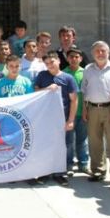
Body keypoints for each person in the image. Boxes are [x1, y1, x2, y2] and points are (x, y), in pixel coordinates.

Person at [82, 41, 110, 187]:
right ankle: (98, 170)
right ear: (92, 53)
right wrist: (85, 109)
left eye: (103, 51)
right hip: (92, 108)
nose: (100, 53)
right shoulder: (88, 69)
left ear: (108, 53)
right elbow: (85, 90)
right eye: (97, 51)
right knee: (94, 142)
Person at [34, 51, 78, 186]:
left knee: (65, 145)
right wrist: (47, 89)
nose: (50, 65)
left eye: (52, 62)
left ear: (58, 61)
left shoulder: (68, 78)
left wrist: (70, 120)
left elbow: (74, 100)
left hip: (63, 118)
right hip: (46, 118)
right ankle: (45, 172)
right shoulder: (42, 75)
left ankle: (60, 173)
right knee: (46, 145)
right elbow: (35, 92)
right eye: (47, 63)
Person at [62, 48, 89, 174]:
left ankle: (83, 164)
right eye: (71, 57)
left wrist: (86, 109)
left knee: (82, 140)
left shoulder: (86, 73)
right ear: (67, 59)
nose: (74, 59)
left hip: (82, 112)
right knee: (68, 141)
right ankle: (68, 164)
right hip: (68, 114)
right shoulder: (63, 73)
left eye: (76, 57)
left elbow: (88, 93)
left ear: (81, 59)